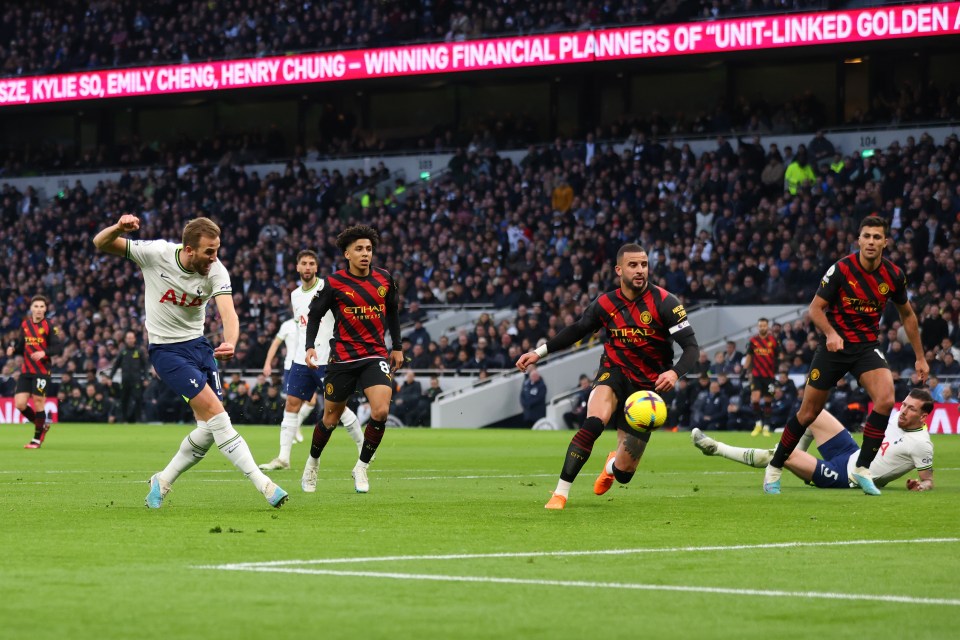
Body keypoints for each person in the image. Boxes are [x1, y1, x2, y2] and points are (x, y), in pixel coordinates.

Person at [93, 214, 288, 508]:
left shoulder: (216, 271)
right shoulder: (156, 253)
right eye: (209, 251)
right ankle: (264, 484)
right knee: (218, 416)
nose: (214, 256)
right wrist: (119, 229)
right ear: (188, 250)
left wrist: (231, 341)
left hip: (199, 348)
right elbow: (100, 243)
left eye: (217, 250)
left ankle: (164, 479)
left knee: (209, 429)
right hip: (167, 352)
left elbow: (229, 314)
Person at [515, 243, 700, 510]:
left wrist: (674, 372)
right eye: (633, 265)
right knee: (594, 423)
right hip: (614, 373)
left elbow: (691, 347)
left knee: (625, 473)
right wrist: (539, 352)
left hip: (647, 389)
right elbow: (578, 329)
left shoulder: (666, 302)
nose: (640, 270)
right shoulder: (606, 302)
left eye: (644, 265)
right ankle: (560, 493)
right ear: (619, 269)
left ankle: (612, 466)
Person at [763, 216, 928, 496]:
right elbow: (814, 310)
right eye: (867, 236)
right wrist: (830, 333)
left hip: (865, 347)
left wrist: (920, 357)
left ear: (886, 242)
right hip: (834, 347)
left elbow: (908, 314)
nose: (871, 242)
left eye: (877, 237)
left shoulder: (894, 275)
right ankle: (775, 466)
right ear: (859, 240)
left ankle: (863, 469)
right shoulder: (841, 269)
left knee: (886, 399)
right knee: (808, 412)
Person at [302, 225, 403, 494]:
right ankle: (312, 462)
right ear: (347, 253)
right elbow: (314, 315)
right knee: (330, 420)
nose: (365, 254)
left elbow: (392, 311)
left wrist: (398, 347)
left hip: (374, 355)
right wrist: (310, 346)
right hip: (343, 358)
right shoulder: (333, 283)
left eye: (369, 249)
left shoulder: (385, 280)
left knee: (380, 411)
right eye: (359, 249)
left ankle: (361, 467)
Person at [692, 388, 935, 492]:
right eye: (903, 404)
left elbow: (928, 480)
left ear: (923, 416)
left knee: (781, 453)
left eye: (911, 409)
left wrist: (920, 485)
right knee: (812, 412)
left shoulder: (922, 444)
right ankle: (793, 459)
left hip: (846, 478)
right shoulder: (895, 415)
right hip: (850, 453)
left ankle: (716, 448)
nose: (902, 411)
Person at [259, 250, 364, 471]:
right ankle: (283, 458)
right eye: (303, 264)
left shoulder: (328, 289)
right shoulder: (295, 295)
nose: (307, 267)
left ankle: (363, 447)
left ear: (316, 268)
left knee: (338, 407)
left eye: (311, 264)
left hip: (327, 359)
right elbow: (302, 326)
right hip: (301, 359)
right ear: (297, 268)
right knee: (291, 404)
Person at [6, 294, 62, 448]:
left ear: (45, 309)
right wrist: (13, 350)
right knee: (20, 404)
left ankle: (36, 439)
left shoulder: (50, 326)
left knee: (38, 402)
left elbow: (58, 347)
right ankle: (42, 425)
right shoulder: (25, 325)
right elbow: (21, 346)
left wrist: (44, 353)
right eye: (36, 306)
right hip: (26, 370)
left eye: (41, 307)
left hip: (42, 371)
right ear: (31, 308)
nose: (38, 309)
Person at [261, 317, 305, 442]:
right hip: (291, 367)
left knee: (310, 401)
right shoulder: (287, 325)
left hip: (307, 365)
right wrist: (267, 363)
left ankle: (296, 426)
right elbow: (275, 344)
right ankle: (289, 433)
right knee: (291, 401)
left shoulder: (310, 320)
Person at [744, 317, 780, 437]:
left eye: (764, 325)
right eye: (760, 326)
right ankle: (758, 424)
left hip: (769, 376)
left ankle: (766, 426)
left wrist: (778, 371)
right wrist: (744, 370)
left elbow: (779, 356)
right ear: (757, 327)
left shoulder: (773, 341)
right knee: (755, 399)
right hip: (756, 375)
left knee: (768, 401)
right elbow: (749, 356)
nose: (762, 327)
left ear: (767, 326)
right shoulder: (753, 340)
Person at [109, 330, 149, 423]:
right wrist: (110, 378)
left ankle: (139, 420)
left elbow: (145, 366)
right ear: (125, 339)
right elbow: (115, 365)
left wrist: (146, 378)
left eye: (132, 338)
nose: (130, 340)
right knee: (124, 400)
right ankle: (123, 419)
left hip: (136, 380)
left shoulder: (139, 351)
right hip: (125, 380)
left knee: (138, 399)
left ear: (134, 339)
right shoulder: (122, 352)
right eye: (128, 338)